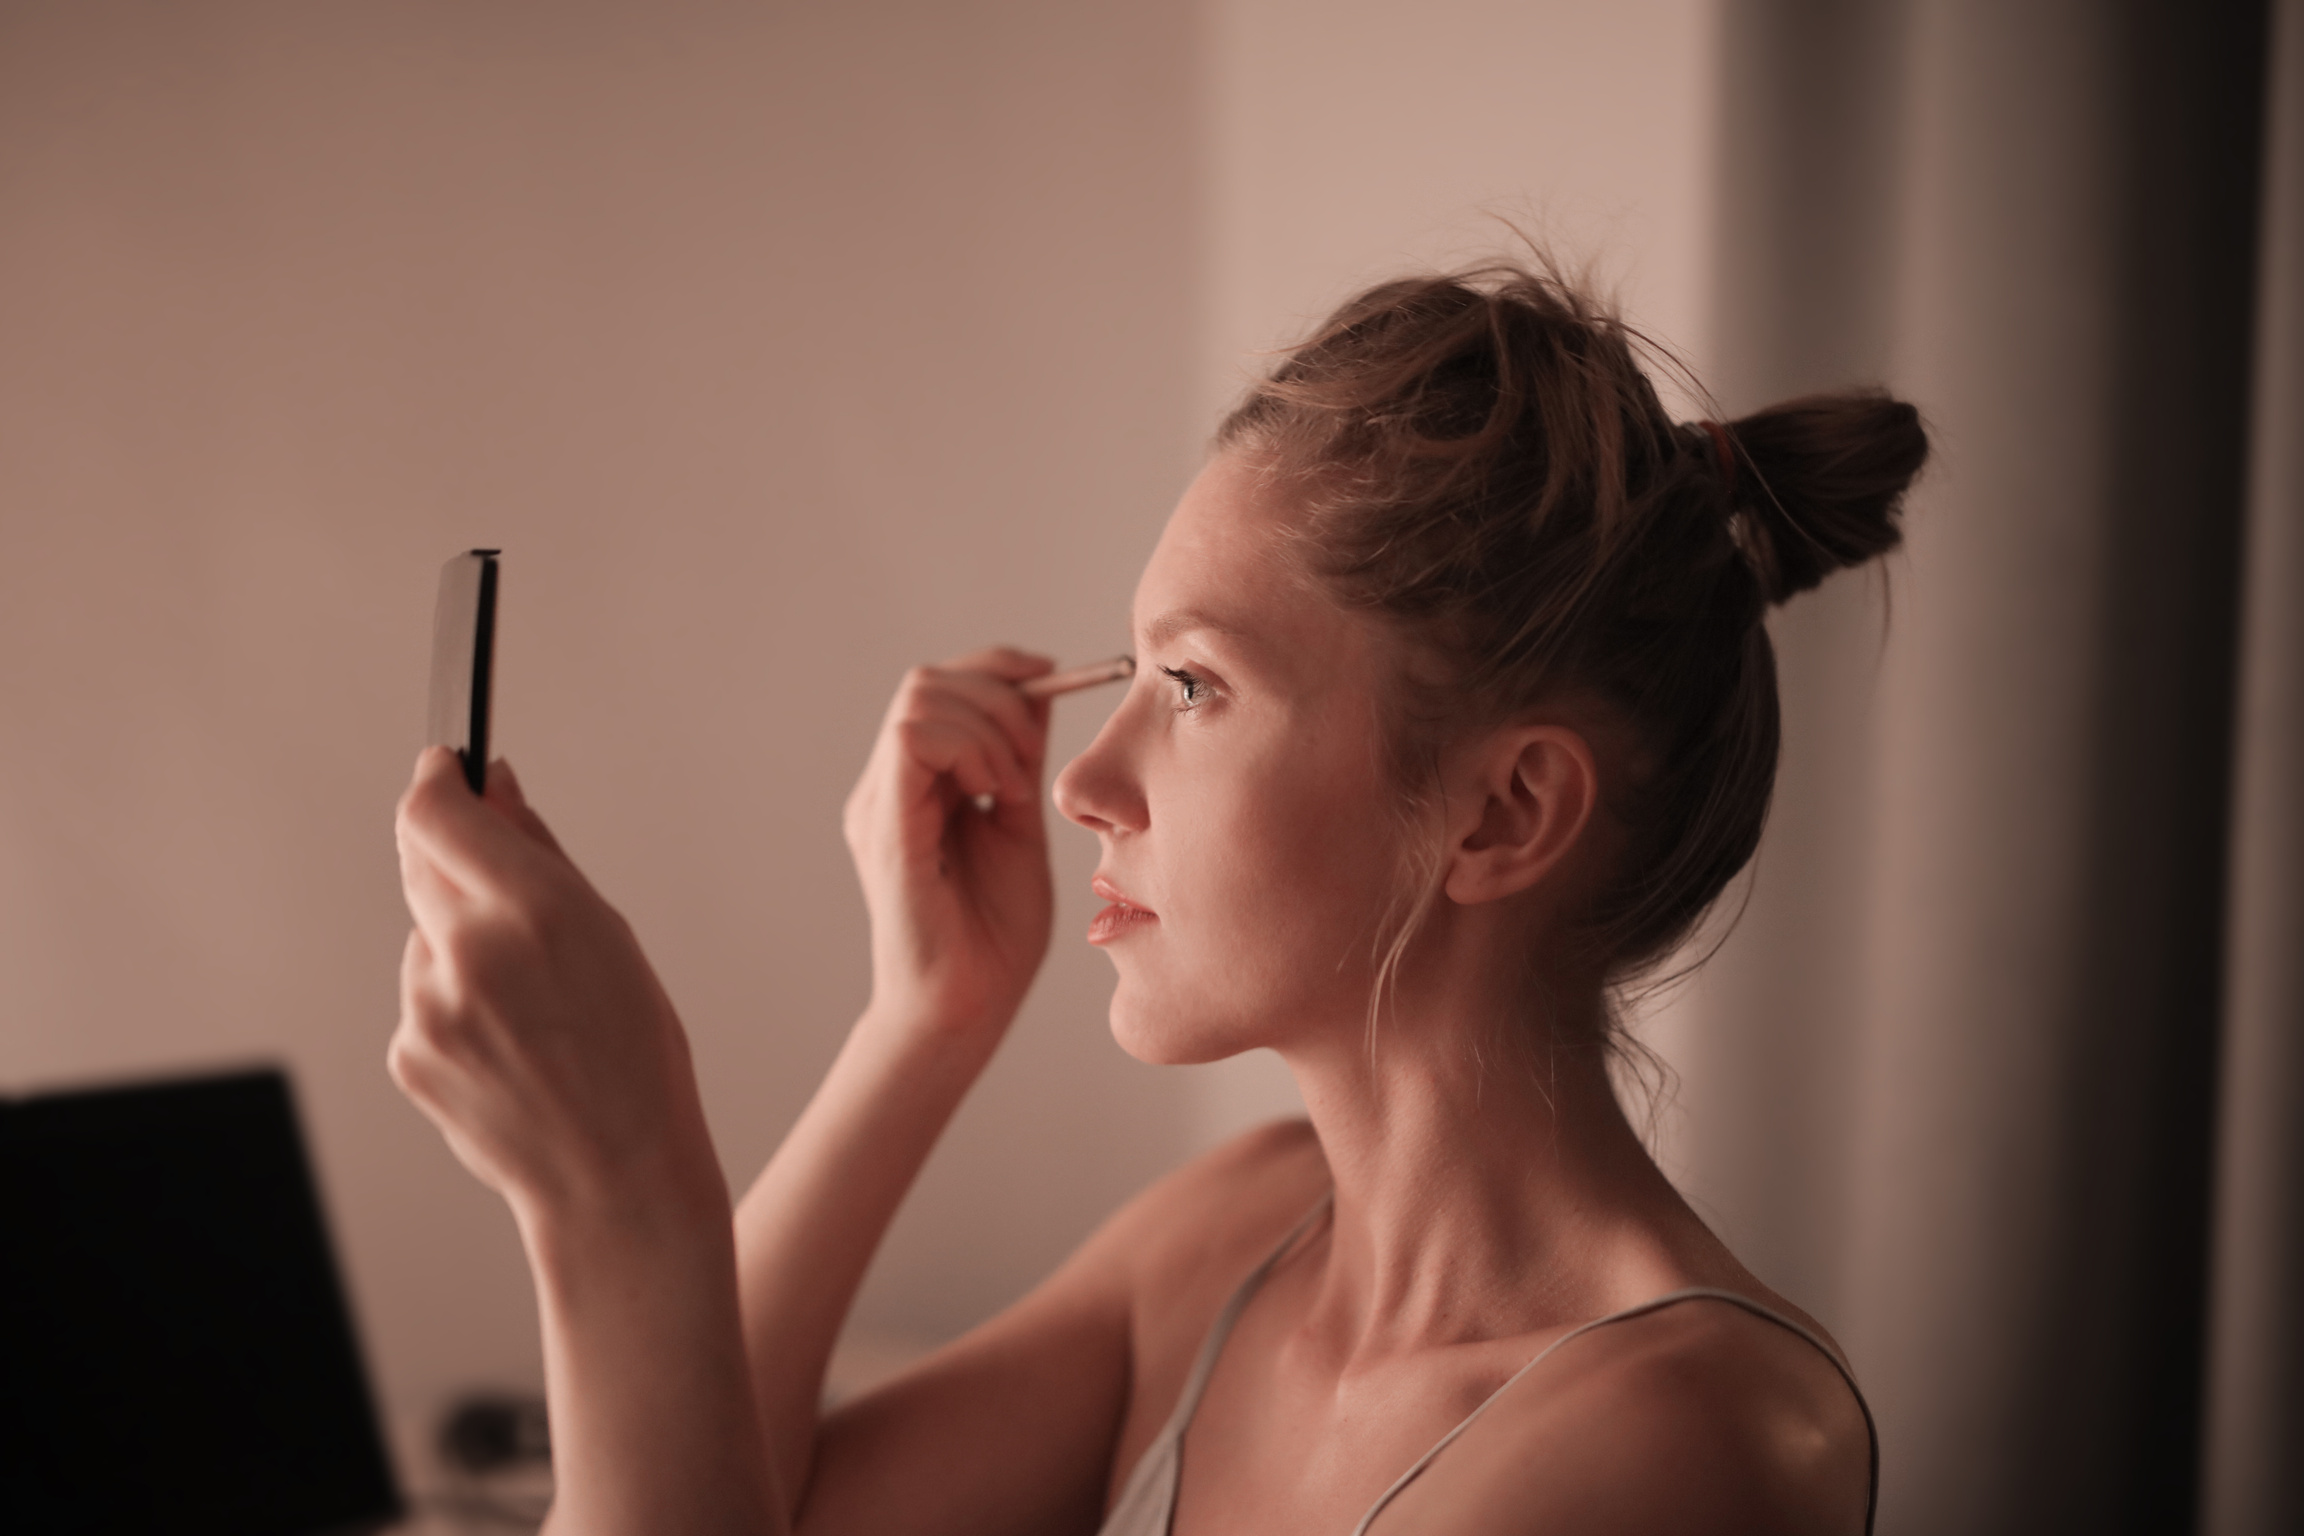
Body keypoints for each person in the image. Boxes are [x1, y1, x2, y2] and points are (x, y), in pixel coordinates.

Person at [389, 259, 1928, 1536]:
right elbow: (739, 1498)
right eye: (1133, 670)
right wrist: (921, 1023)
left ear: (1502, 811)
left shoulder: (1682, 1443)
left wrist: (620, 1204)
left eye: (1193, 684)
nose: (1081, 782)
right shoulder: (1234, 1239)